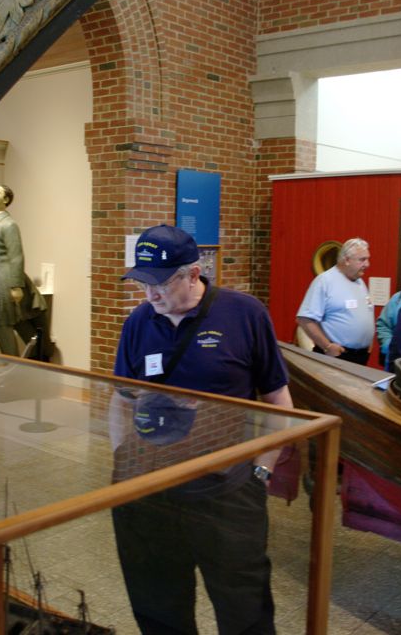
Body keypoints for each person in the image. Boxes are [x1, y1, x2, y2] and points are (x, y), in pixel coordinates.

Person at [113, 223, 292, 634]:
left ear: (194, 273)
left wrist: (261, 471)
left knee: (244, 608)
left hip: (226, 489)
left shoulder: (244, 314)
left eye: (160, 283)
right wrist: (124, 463)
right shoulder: (139, 322)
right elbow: (120, 400)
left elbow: (279, 401)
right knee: (158, 604)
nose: (149, 294)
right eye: (142, 283)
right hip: (152, 489)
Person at [0, 184, 49, 357]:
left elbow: (16, 256)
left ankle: (12, 367)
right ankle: (37, 362)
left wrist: (16, 286)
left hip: (1, 281)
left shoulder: (8, 224)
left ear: (5, 200)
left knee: (0, 323)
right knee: (15, 322)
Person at [296, 237, 374, 365]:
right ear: (347, 260)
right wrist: (327, 346)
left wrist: (368, 343)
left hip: (361, 356)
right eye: (362, 260)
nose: (367, 264)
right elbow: (304, 319)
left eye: (367, 259)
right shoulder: (325, 282)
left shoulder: (360, 282)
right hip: (337, 356)